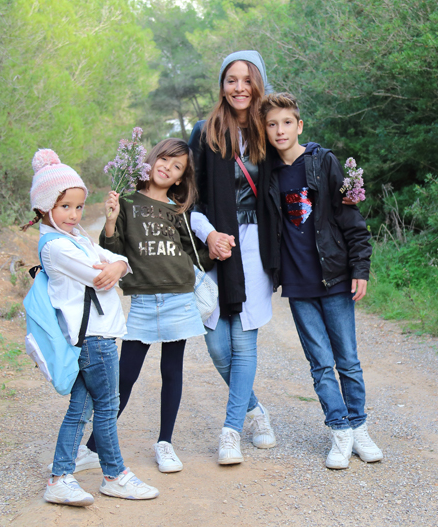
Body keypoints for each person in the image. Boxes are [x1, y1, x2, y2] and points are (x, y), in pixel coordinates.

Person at [24, 148, 159, 505]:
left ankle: (59, 479)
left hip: (93, 336)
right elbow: (99, 275)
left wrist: (119, 264)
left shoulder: (77, 238)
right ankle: (115, 476)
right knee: (108, 406)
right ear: (44, 207)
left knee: (81, 409)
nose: (74, 214)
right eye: (65, 206)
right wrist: (115, 267)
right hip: (93, 339)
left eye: (79, 206)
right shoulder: (56, 246)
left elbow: (114, 259)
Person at [261, 92, 383, 469]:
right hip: (298, 284)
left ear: (299, 125)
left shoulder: (323, 161)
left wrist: (360, 268)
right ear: (264, 130)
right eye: (271, 124)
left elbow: (351, 218)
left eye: (286, 122)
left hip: (335, 278)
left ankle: (359, 427)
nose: (280, 130)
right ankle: (339, 430)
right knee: (320, 363)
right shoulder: (266, 173)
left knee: (348, 360)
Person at [75, 138, 210, 475]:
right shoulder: (127, 202)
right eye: (164, 159)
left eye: (177, 167)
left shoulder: (177, 210)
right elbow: (113, 250)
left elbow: (191, 254)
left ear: (180, 178)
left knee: (172, 370)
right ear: (151, 160)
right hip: (144, 301)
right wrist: (110, 220)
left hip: (178, 297)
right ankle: (92, 448)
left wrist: (217, 249)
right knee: (126, 374)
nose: (167, 168)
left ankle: (165, 443)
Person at [188, 50, 279, 464]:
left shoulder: (269, 129)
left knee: (243, 341)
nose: (239, 88)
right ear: (222, 86)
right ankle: (255, 410)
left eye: (247, 80)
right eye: (231, 80)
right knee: (217, 346)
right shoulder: (204, 131)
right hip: (214, 241)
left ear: (258, 84)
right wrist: (208, 235)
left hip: (256, 244)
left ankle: (231, 431)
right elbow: (188, 197)